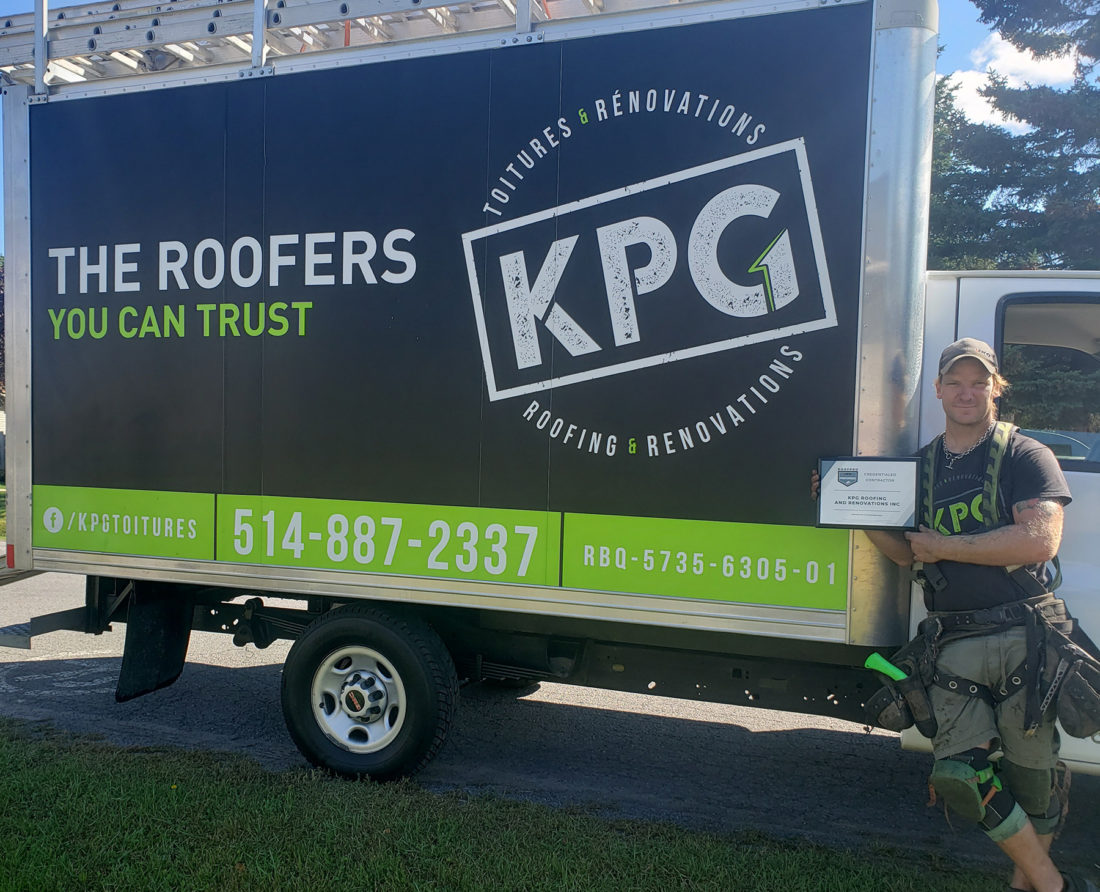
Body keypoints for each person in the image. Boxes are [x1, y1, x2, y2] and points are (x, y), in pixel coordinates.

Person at [813, 337, 1096, 892]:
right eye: (956, 382)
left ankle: (1028, 883)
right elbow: (902, 552)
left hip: (1025, 634)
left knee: (1032, 779)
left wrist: (947, 546)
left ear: (996, 388)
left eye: (979, 381)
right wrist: (848, 508)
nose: (967, 392)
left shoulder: (1026, 455)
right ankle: (1054, 883)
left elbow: (1039, 540)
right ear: (939, 391)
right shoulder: (919, 467)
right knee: (958, 775)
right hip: (954, 642)